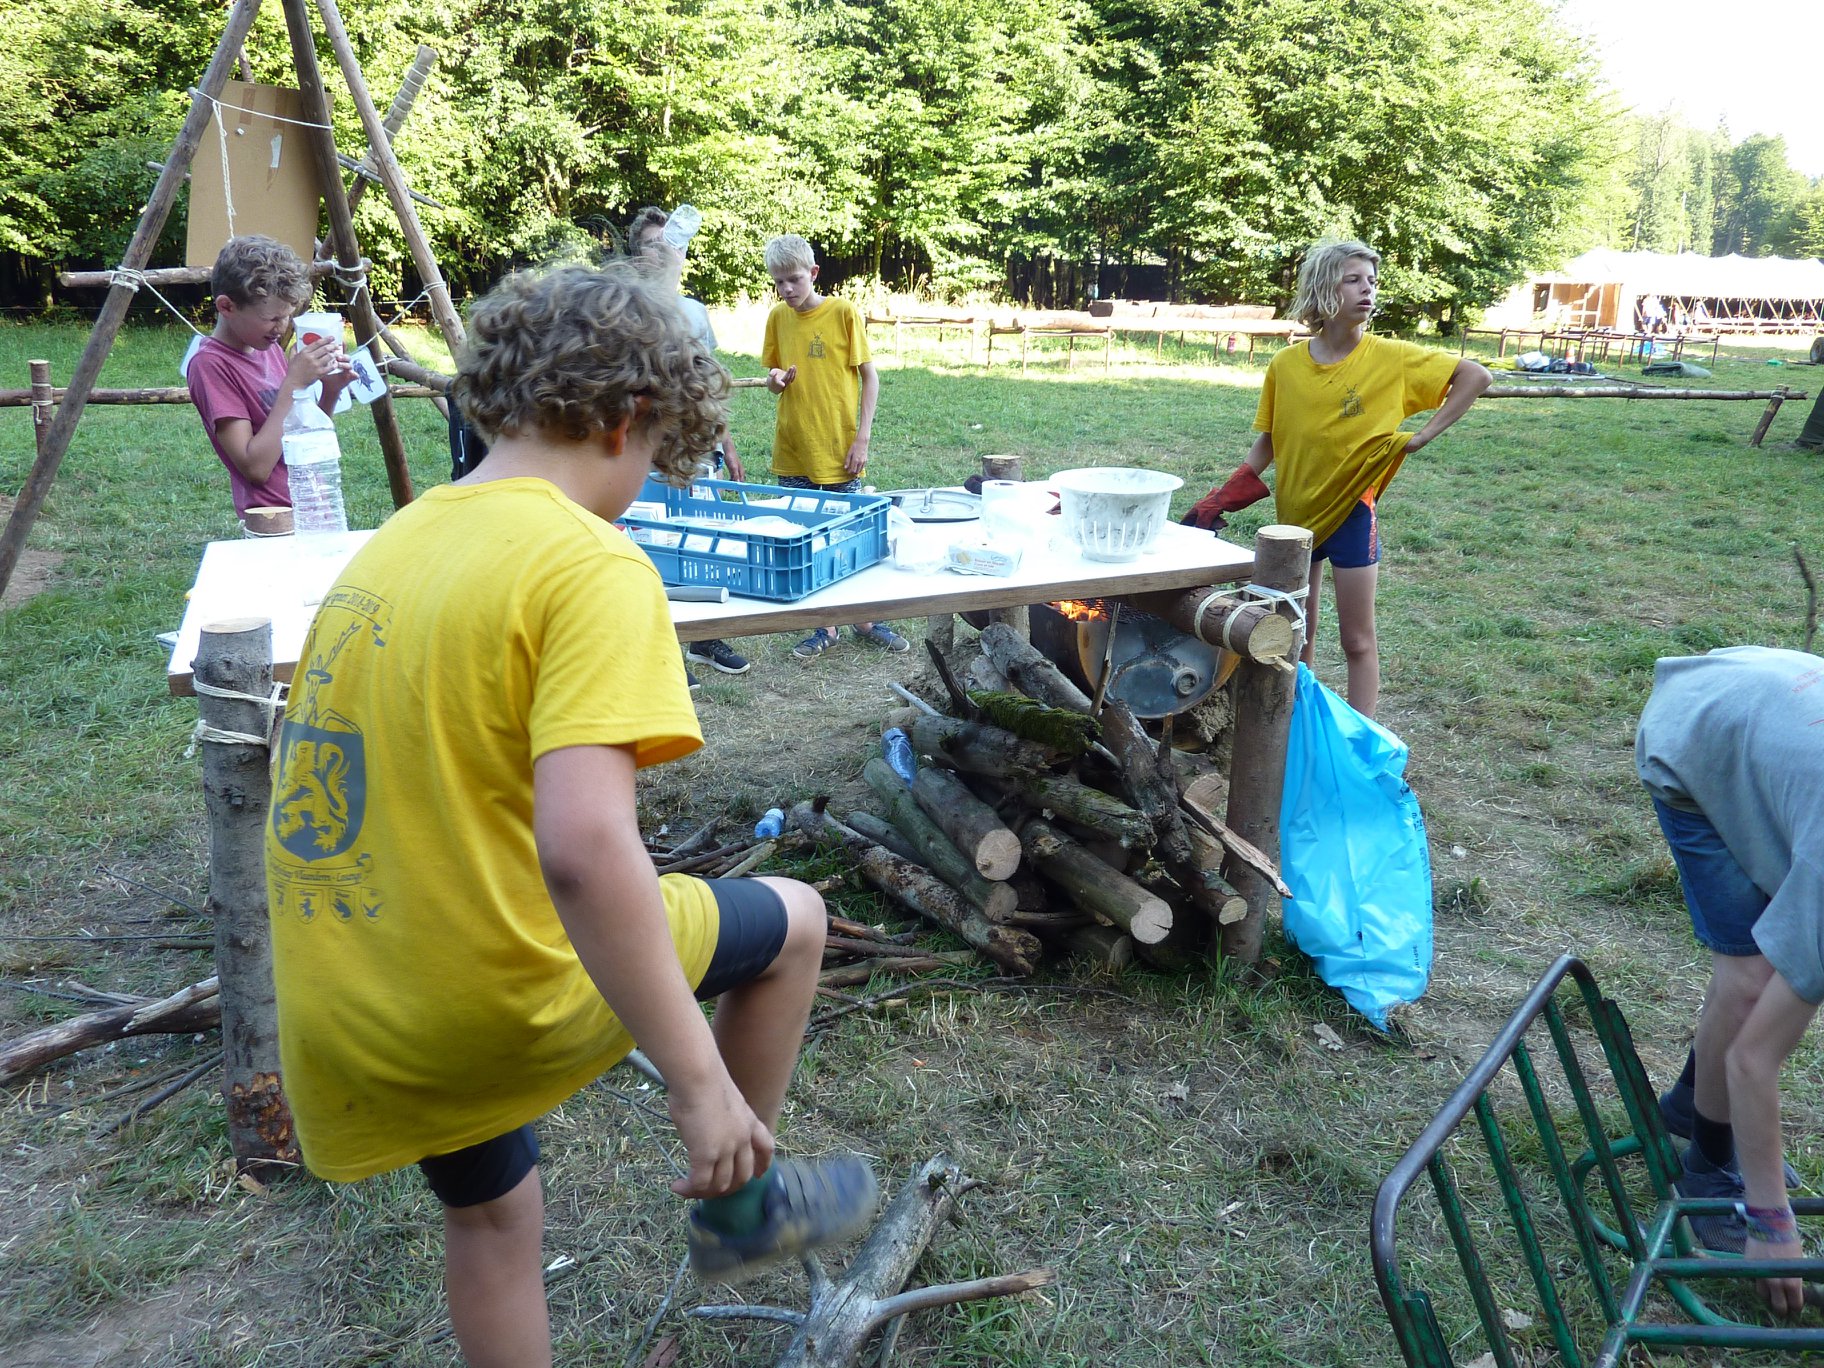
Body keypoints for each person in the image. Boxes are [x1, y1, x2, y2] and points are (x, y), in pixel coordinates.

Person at [264, 262, 878, 1368]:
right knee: (792, 919)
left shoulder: (400, 541)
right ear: (630, 422)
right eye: (656, 458)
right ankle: (741, 1205)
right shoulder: (590, 563)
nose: (644, 484)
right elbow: (588, 852)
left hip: (348, 1004)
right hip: (489, 1003)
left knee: (494, 1221)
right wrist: (697, 1084)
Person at [1181, 239, 1490, 717]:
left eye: (1371, 281)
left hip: (1351, 511)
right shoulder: (1286, 365)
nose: (1368, 290)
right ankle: (1294, 719)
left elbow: (1475, 375)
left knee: (1357, 639)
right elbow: (1270, 438)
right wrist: (1226, 493)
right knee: (1296, 631)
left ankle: (1362, 738)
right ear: (1323, 290)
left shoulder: (1393, 358)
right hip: (1295, 517)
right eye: (1353, 280)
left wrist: (1420, 436)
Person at [1636, 645, 1822, 1316]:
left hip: (1764, 704)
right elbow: (1754, 1059)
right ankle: (1709, 1170)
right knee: (1750, 980)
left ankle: (1689, 1104)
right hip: (1695, 738)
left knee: (1772, 968)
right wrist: (1774, 1223)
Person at [760, 233, 907, 659]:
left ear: (813, 273)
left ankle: (863, 619)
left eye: (793, 280)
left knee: (850, 536)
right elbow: (773, 378)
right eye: (778, 283)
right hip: (794, 447)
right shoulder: (777, 317)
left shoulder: (843, 312)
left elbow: (870, 376)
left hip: (839, 447)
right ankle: (824, 627)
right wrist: (774, 381)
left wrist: (862, 438)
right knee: (804, 535)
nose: (786, 290)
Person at [627, 206, 752, 681]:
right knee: (652, 544)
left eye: (668, 244)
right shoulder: (627, 310)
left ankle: (704, 639)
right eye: (650, 245)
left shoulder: (695, 312)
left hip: (700, 448)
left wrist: (728, 444)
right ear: (637, 255)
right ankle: (660, 652)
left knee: (703, 538)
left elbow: (709, 387)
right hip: (649, 449)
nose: (660, 253)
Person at [187, 234, 354, 521]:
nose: (281, 327)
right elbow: (255, 468)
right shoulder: (210, 365)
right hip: (272, 519)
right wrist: (293, 383)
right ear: (227, 307)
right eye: (272, 318)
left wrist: (330, 391)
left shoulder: (268, 348)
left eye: (287, 316)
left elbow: (300, 433)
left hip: (310, 503)